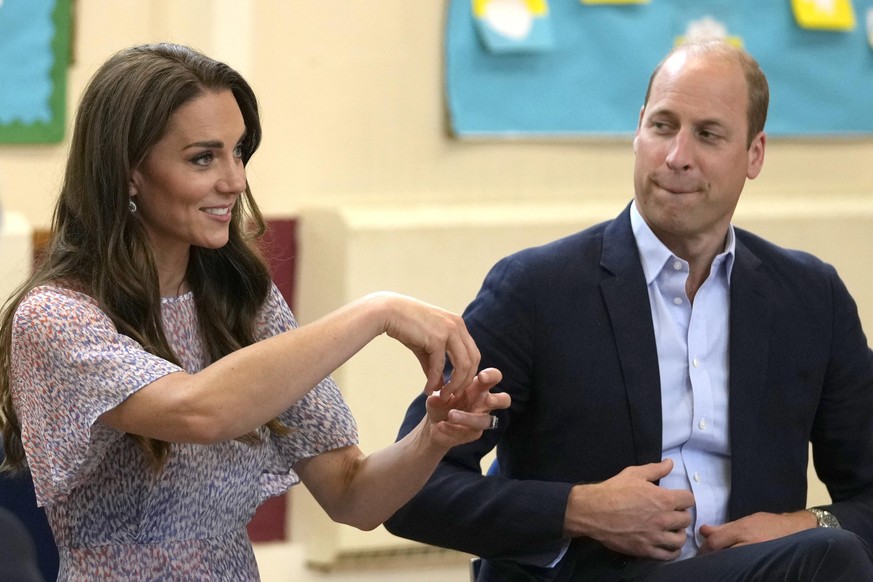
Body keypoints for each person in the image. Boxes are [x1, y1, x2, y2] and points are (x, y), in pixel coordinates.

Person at [0, 43, 510, 580]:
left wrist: (434, 436)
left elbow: (353, 497)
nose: (235, 180)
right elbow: (200, 411)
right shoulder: (57, 316)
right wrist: (374, 312)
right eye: (203, 157)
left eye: (239, 152)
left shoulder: (242, 300)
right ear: (128, 172)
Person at [384, 39, 873, 581]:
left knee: (829, 551)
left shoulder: (810, 297)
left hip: (753, 570)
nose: (676, 156)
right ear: (638, 129)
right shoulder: (537, 289)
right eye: (663, 126)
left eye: (708, 135)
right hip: (592, 576)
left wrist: (805, 524)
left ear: (754, 154)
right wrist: (578, 510)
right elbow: (410, 491)